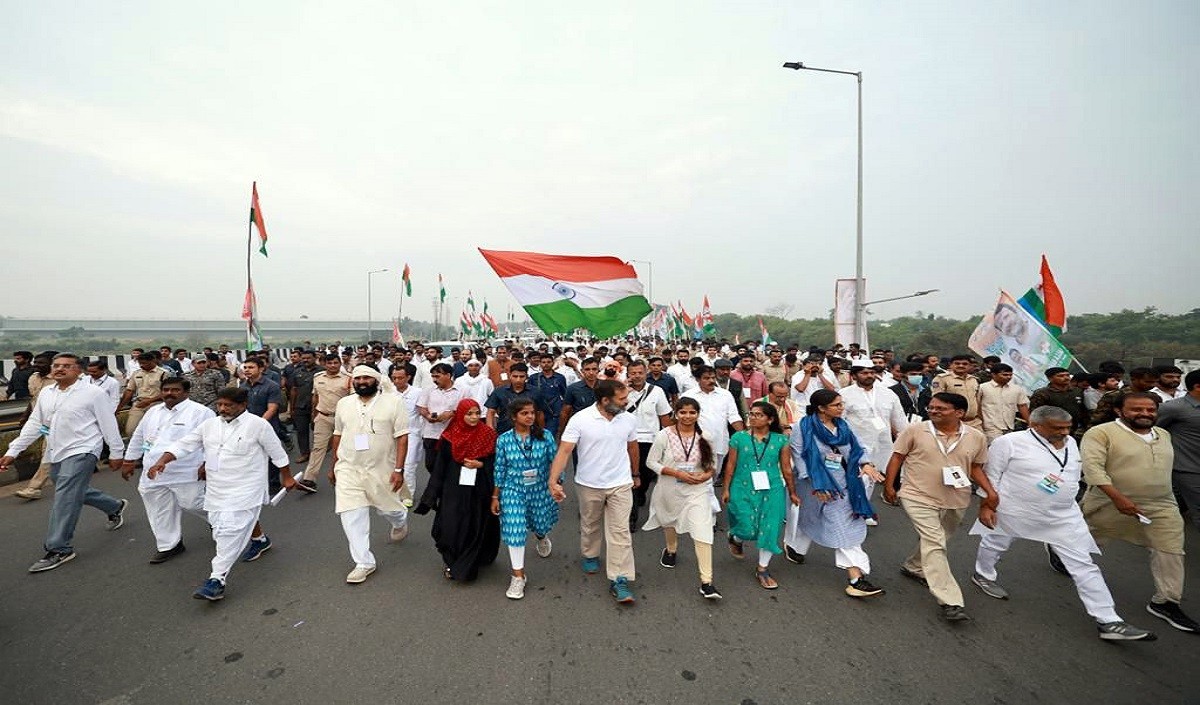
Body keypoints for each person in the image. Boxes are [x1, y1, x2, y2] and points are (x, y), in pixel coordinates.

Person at [967, 406, 1156, 641]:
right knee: (995, 542)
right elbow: (991, 474)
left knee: (1084, 565)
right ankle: (983, 574)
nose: (1065, 432)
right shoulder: (1010, 442)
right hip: (1014, 510)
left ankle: (1109, 620)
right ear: (1035, 425)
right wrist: (986, 505)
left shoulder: (1070, 442)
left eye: (1068, 427)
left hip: (1063, 516)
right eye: (1058, 428)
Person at [147, 387, 296, 600]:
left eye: (228, 405)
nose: (222, 409)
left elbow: (278, 454)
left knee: (230, 531)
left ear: (243, 405)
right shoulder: (209, 426)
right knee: (221, 528)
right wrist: (162, 461)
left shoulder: (258, 425)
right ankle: (260, 540)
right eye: (219, 404)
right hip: (217, 488)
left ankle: (217, 579)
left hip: (247, 486)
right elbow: (184, 445)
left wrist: (287, 477)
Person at [1080, 392, 1199, 633]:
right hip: (1109, 502)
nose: (1145, 414)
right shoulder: (1101, 433)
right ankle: (1060, 550)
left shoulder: (1163, 434)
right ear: (1119, 411)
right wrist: (1119, 498)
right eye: (1137, 410)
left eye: (1150, 410)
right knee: (1086, 544)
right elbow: (1093, 468)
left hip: (1162, 505)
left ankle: (1166, 601)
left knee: (1171, 550)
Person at [0, 354, 129, 573]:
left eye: (67, 366)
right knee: (71, 489)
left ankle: (59, 548)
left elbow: (108, 423)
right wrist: (13, 450)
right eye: (57, 366)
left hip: (83, 449)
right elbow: (35, 423)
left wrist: (117, 452)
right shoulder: (47, 394)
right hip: (56, 450)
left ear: (79, 370)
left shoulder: (93, 393)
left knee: (65, 497)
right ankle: (114, 506)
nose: (60, 369)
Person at [884, 392, 994, 622]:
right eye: (931, 407)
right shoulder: (916, 430)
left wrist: (990, 493)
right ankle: (950, 600)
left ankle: (914, 566)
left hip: (957, 497)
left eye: (940, 409)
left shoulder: (976, 437)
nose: (933, 411)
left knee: (940, 537)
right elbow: (897, 457)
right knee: (935, 541)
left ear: (959, 413)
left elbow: (975, 467)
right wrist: (890, 485)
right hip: (917, 495)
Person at [548, 379, 641, 604]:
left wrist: (635, 474)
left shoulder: (628, 418)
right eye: (622, 399)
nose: (627, 401)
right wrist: (553, 481)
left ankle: (619, 578)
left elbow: (632, 446)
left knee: (620, 532)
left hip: (620, 483)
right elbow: (565, 450)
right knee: (590, 523)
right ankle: (590, 553)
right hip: (589, 483)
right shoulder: (580, 419)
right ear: (605, 400)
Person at [786, 390, 886, 597]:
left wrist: (866, 464)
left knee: (843, 526)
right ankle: (794, 547)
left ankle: (856, 579)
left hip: (845, 483)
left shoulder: (843, 426)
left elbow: (857, 447)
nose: (842, 408)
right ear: (822, 408)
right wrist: (815, 484)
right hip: (815, 484)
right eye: (837, 405)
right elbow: (798, 455)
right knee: (811, 517)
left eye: (841, 404)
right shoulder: (802, 427)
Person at [328, 365, 411, 584]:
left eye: (366, 377)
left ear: (376, 379)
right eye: (358, 378)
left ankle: (400, 521)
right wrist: (333, 465)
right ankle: (364, 562)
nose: (362, 381)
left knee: (390, 509)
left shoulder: (394, 402)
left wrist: (399, 469)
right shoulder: (344, 404)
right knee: (351, 514)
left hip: (382, 468)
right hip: (349, 468)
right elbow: (337, 434)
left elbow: (402, 437)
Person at [121, 376, 214, 563]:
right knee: (158, 509)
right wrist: (129, 460)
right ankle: (169, 545)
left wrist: (207, 463)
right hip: (153, 471)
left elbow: (212, 441)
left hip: (186, 470)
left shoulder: (201, 412)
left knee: (194, 504)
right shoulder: (153, 411)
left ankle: (222, 523)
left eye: (175, 390)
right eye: (166, 390)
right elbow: (139, 436)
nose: (169, 393)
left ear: (186, 392)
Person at [644, 397, 722, 599]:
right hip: (669, 488)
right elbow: (651, 462)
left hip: (697, 490)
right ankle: (671, 549)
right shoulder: (664, 435)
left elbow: (712, 464)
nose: (687, 416)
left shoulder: (706, 436)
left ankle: (707, 582)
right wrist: (676, 473)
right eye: (683, 412)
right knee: (669, 520)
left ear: (698, 414)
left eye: (692, 412)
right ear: (676, 414)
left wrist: (705, 475)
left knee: (702, 532)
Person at [419, 399, 500, 581]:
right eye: (468, 413)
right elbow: (440, 467)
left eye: (476, 413)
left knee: (476, 523)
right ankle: (453, 558)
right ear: (460, 415)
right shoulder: (450, 436)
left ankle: (466, 565)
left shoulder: (488, 434)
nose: (473, 417)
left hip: (479, 488)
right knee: (451, 523)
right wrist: (432, 495)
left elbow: (498, 463)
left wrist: (481, 464)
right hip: (453, 487)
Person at [722, 401, 797, 589]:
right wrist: (725, 488)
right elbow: (730, 465)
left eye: (759, 415)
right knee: (746, 525)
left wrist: (792, 492)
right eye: (751, 414)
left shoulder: (781, 440)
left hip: (772, 488)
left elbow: (787, 469)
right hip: (742, 486)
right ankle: (736, 537)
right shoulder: (738, 438)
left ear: (770, 419)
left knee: (770, 527)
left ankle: (762, 568)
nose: (753, 418)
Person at [491, 398, 559, 600]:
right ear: (514, 417)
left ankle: (541, 536)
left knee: (540, 524)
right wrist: (496, 495)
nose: (530, 416)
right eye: (524, 413)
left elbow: (555, 462)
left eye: (532, 413)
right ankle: (518, 576)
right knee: (515, 528)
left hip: (539, 489)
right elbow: (500, 468)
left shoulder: (545, 436)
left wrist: (556, 484)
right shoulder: (504, 440)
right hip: (513, 490)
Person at [838, 365, 907, 523]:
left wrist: (906, 442)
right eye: (864, 373)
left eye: (871, 372)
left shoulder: (888, 394)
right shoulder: (844, 394)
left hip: (883, 444)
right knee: (858, 478)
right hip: (854, 445)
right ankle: (855, 510)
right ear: (854, 376)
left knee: (871, 479)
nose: (869, 375)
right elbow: (838, 420)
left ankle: (863, 509)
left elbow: (900, 420)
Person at [624, 360, 674, 532]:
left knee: (645, 475)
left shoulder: (657, 391)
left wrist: (670, 440)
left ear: (645, 373)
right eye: (633, 373)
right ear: (628, 373)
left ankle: (641, 492)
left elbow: (664, 417)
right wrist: (624, 392)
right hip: (625, 441)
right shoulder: (621, 391)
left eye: (639, 372)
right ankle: (632, 515)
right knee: (630, 476)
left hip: (649, 441)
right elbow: (611, 411)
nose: (636, 376)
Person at [300, 354, 352, 492]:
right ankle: (309, 479)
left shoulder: (348, 379)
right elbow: (315, 397)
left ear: (340, 363)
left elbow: (354, 401)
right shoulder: (318, 377)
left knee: (346, 450)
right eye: (330, 363)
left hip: (344, 419)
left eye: (336, 363)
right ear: (325, 364)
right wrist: (313, 415)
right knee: (318, 448)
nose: (333, 365)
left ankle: (346, 478)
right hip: (323, 417)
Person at [1158, 370, 1200, 530]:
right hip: (1188, 470)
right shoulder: (1174, 408)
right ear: (1197, 387)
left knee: (1175, 507)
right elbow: (1148, 430)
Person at [415, 363, 464, 485]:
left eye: (437, 376)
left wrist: (452, 413)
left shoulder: (463, 390)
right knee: (430, 464)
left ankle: (446, 491)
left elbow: (470, 409)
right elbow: (421, 407)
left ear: (448, 375)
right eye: (433, 377)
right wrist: (427, 416)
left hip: (453, 434)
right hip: (431, 434)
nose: (434, 380)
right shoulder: (429, 390)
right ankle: (439, 486)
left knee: (450, 465)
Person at [389, 363, 424, 505]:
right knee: (392, 464)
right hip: (391, 435)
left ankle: (408, 495)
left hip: (412, 434)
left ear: (408, 377)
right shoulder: (387, 392)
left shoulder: (417, 392)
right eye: (394, 378)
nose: (397, 381)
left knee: (409, 466)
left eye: (400, 378)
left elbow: (422, 412)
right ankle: (393, 493)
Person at [484, 363, 547, 435]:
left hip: (530, 432)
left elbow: (540, 414)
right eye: (515, 376)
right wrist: (490, 429)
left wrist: (541, 431)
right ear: (510, 376)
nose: (518, 380)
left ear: (526, 377)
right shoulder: (499, 391)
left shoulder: (535, 392)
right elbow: (490, 411)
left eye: (521, 376)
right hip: (504, 432)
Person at [118, 352, 170, 437]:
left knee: (155, 432)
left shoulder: (164, 373)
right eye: (140, 363)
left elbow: (168, 393)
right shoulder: (136, 373)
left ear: (153, 361)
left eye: (144, 363)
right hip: (139, 404)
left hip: (157, 405)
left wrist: (149, 401)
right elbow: (129, 391)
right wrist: (119, 407)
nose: (142, 365)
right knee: (131, 430)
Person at [1030, 367, 1089, 439]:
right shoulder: (1042, 393)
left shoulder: (1077, 391)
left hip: (1074, 428)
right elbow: (1035, 413)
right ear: (1050, 379)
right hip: (1053, 429)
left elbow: (1082, 410)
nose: (1066, 378)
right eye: (1061, 376)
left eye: (1067, 375)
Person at [978, 363, 1031, 443]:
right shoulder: (983, 387)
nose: (1008, 377)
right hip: (990, 427)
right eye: (1005, 375)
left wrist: (1030, 423)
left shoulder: (1016, 389)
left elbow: (1022, 406)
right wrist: (980, 422)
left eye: (1010, 375)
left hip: (1009, 426)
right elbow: (977, 405)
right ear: (993, 375)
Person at [930, 355, 983, 430]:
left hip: (974, 422)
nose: (961, 366)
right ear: (951, 365)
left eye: (965, 364)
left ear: (970, 366)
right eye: (957, 363)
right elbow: (937, 400)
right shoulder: (942, 379)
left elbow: (978, 400)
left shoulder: (974, 380)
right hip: (953, 422)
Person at [288, 350, 319, 464]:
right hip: (300, 406)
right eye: (304, 358)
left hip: (317, 407)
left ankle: (319, 452)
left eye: (308, 358)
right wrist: (291, 407)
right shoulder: (297, 372)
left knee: (318, 431)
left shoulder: (321, 372)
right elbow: (293, 390)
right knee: (301, 431)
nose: (306, 360)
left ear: (315, 358)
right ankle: (305, 453)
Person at [558, 357, 600, 440]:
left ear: (598, 370)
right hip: (580, 429)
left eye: (594, 369)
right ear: (582, 370)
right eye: (587, 369)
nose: (591, 372)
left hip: (601, 428)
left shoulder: (606, 387)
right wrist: (562, 431)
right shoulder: (572, 388)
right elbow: (565, 411)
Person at [528, 353, 568, 439]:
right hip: (538, 412)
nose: (546, 364)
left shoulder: (560, 378)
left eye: (549, 362)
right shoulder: (533, 378)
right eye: (543, 362)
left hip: (554, 413)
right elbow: (529, 395)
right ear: (540, 363)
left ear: (553, 363)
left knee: (550, 436)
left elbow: (565, 395)